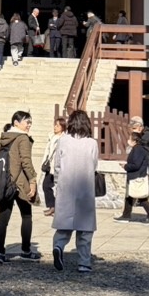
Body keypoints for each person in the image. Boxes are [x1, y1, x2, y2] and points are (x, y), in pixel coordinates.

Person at [51, 109, 100, 274]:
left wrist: (57, 183)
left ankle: (58, 246)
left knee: (64, 226)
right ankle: (84, 262)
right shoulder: (92, 143)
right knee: (85, 229)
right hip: (85, 187)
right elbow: (94, 164)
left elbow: (57, 165)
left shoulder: (63, 141)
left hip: (66, 187)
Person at [0, 111, 39, 263]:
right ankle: (26, 250)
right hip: (19, 183)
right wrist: (33, 180)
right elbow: (26, 162)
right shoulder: (22, 138)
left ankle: (0, 252)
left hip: (4, 182)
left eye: (30, 122)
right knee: (26, 216)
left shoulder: (4, 137)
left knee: (3, 218)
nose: (29, 125)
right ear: (16, 123)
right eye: (27, 122)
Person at [116, 117, 149, 223]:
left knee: (145, 194)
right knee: (132, 192)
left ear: (140, 126)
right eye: (132, 128)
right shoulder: (134, 137)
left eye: (135, 127)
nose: (133, 130)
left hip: (144, 169)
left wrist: (147, 165)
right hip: (136, 168)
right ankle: (126, 214)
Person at [41, 114, 66, 214]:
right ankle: (52, 206)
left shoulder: (64, 139)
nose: (55, 127)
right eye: (55, 125)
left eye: (58, 125)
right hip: (50, 166)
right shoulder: (51, 137)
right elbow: (47, 151)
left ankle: (57, 207)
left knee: (60, 188)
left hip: (59, 167)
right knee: (46, 185)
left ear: (62, 127)